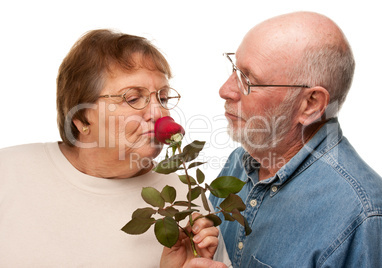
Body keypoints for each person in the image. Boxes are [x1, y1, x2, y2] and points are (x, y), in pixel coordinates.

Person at [0, 29, 231, 267]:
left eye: (162, 97)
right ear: (81, 118)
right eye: (132, 98)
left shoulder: (189, 201)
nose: (158, 112)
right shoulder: (7, 171)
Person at [207, 11, 382, 267]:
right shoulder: (240, 161)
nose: (225, 90)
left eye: (247, 79)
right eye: (234, 68)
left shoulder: (366, 219)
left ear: (310, 104)